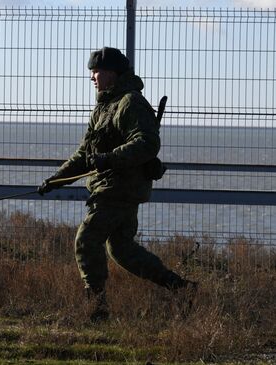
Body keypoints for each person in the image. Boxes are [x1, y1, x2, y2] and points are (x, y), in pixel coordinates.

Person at [38, 47, 195, 322]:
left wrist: (108, 159)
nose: (92, 78)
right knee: (120, 249)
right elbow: (84, 156)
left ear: (111, 73)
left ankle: (96, 308)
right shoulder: (104, 107)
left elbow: (147, 143)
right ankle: (180, 288)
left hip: (119, 188)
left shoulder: (130, 103)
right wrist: (56, 180)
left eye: (95, 72)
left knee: (87, 239)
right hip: (114, 187)